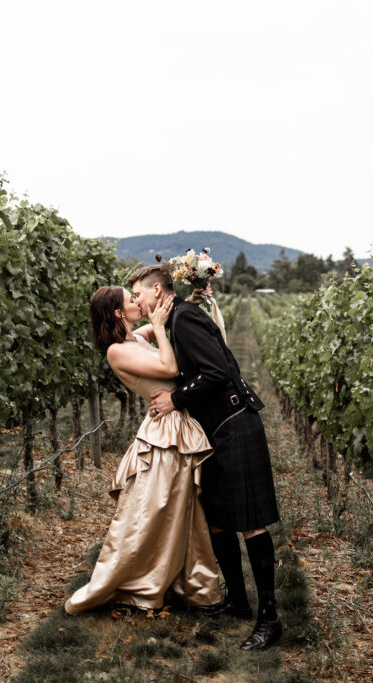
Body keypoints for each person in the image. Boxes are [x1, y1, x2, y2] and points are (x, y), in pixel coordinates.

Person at [129, 264, 283, 651]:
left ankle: (270, 618)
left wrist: (175, 398)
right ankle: (238, 601)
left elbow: (215, 371)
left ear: (158, 290)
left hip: (234, 423)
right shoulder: (175, 318)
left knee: (250, 522)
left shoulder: (184, 319)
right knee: (217, 520)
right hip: (213, 430)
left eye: (139, 294)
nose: (137, 301)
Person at [64, 286, 220, 615]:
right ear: (119, 313)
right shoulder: (116, 352)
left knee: (177, 510)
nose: (138, 302)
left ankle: (185, 580)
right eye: (131, 299)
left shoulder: (135, 337)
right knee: (154, 512)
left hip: (176, 425)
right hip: (162, 436)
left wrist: (189, 299)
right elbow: (169, 370)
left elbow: (163, 316)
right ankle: (138, 583)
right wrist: (161, 328)